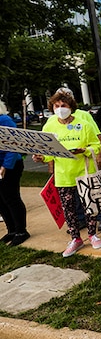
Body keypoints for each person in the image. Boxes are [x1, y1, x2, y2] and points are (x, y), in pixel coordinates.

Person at [33, 91, 101, 257]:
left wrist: (85, 150)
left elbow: (97, 145)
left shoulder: (84, 124)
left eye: (63, 105)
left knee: (89, 206)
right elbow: (48, 152)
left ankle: (93, 235)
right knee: (69, 210)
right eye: (56, 106)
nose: (60, 109)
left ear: (71, 107)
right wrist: (41, 157)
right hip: (64, 176)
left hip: (85, 173)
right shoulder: (49, 126)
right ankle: (75, 239)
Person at [0, 101, 29, 246]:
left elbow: (13, 144)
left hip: (10, 165)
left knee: (11, 198)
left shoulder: (5, 120)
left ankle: (21, 231)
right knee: (1, 200)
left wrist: (6, 165)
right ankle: (11, 229)